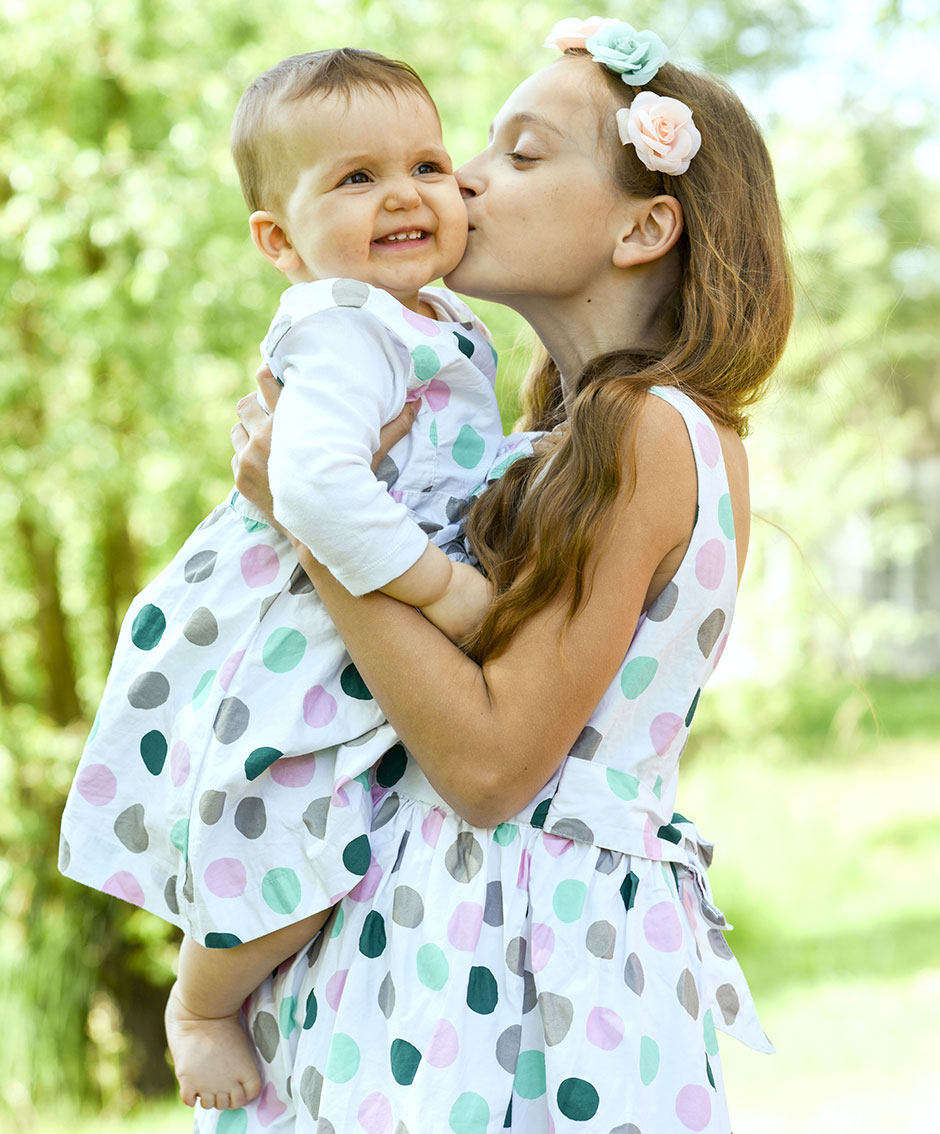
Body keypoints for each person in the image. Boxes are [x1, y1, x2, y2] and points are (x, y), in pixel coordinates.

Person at [211, 17, 794, 1134]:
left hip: (524, 961)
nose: (463, 180)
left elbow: (488, 769)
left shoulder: (647, 432)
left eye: (520, 154)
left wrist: (314, 524)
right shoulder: (553, 441)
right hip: (451, 937)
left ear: (644, 227)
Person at [58, 48, 530, 1112]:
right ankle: (200, 1004)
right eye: (356, 178)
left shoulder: (437, 321)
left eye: (426, 164)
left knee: (338, 841)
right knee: (290, 852)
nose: (404, 193)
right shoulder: (345, 323)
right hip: (299, 625)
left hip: (356, 614)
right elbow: (310, 487)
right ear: (280, 241)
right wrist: (443, 592)